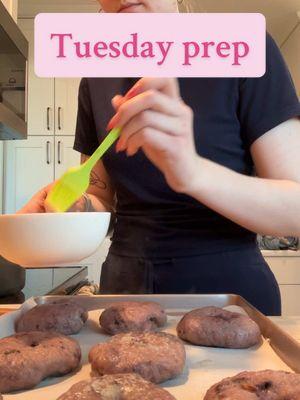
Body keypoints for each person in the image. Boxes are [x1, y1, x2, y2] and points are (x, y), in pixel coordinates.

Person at [20, 0, 300, 316]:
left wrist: (193, 173)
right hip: (125, 293)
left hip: (229, 297)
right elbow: (100, 193)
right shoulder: (96, 77)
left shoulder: (246, 48)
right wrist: (75, 204)